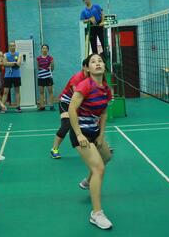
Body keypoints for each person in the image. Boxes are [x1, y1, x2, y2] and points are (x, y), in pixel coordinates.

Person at [68, 54, 113, 230]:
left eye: (100, 61)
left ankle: (87, 182)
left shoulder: (106, 89)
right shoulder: (85, 85)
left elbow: (104, 113)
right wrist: (79, 134)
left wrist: (101, 135)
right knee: (98, 168)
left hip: (94, 130)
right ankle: (96, 213)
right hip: (80, 131)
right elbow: (72, 109)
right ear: (87, 68)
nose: (97, 63)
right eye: (93, 62)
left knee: (106, 157)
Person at [50, 57, 89, 159]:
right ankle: (54, 149)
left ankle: (99, 145)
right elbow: (77, 96)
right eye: (88, 65)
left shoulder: (92, 78)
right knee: (66, 125)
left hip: (79, 103)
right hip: (66, 102)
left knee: (88, 124)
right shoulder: (77, 78)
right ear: (84, 67)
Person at [2, 41, 21, 112]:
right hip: (8, 76)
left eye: (13, 46)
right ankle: (2, 108)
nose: (12, 47)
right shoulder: (5, 55)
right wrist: (14, 63)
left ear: (15, 46)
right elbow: (4, 63)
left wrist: (9, 63)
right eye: (11, 46)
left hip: (16, 75)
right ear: (9, 47)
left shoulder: (19, 54)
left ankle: (18, 107)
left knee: (17, 91)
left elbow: (18, 64)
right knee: (5, 92)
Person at [37, 44, 55, 111]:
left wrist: (49, 70)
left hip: (48, 77)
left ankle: (51, 105)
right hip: (40, 77)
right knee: (41, 92)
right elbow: (38, 67)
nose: (44, 50)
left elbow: (52, 68)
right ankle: (42, 106)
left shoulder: (50, 58)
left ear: (48, 50)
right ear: (41, 49)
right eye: (43, 48)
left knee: (50, 92)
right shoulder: (38, 58)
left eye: (46, 48)